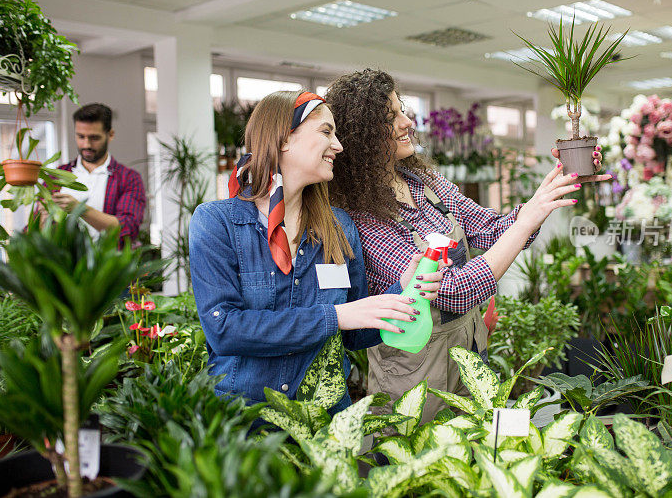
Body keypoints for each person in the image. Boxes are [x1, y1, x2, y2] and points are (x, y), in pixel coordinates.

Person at [326, 69, 610, 421]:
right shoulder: (360, 215)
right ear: (362, 135)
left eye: (403, 110)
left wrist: (549, 190)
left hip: (471, 351)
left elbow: (490, 229)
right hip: (414, 374)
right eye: (392, 117)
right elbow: (452, 291)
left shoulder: (423, 182)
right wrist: (526, 221)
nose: (407, 122)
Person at [192, 91, 446, 413]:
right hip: (244, 427)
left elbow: (355, 334)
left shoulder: (339, 227)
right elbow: (224, 330)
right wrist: (334, 317)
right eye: (326, 132)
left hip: (325, 425)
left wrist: (404, 290)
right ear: (283, 139)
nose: (338, 146)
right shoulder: (217, 223)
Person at [54, 103, 145, 248]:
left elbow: (128, 228)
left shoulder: (128, 178)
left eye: (94, 138)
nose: (86, 144)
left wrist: (79, 209)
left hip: (108, 267)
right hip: (62, 266)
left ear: (110, 135)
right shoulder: (58, 175)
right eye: (80, 136)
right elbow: (36, 229)